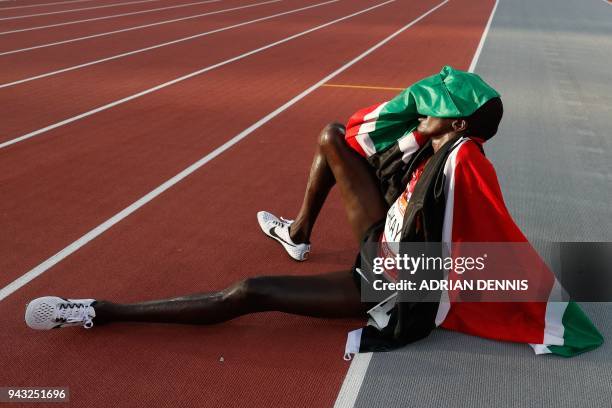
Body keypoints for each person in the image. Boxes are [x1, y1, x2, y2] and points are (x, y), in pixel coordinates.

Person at [25, 67, 602, 358]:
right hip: (387, 233)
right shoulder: (435, 142)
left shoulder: (467, 162)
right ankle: (298, 233)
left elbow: (498, 238)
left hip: (390, 282)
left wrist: (560, 295)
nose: (418, 111)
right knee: (333, 136)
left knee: (249, 291)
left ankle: (96, 310)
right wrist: (413, 124)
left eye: (433, 110)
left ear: (455, 125)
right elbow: (368, 134)